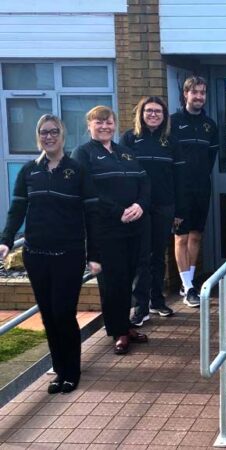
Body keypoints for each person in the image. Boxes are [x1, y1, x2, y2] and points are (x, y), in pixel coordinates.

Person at [0, 115, 101, 394]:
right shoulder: (29, 172)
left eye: (54, 131)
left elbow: (92, 216)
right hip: (36, 255)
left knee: (63, 313)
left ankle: (72, 371)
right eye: (44, 132)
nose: (49, 136)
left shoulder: (77, 171)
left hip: (68, 255)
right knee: (47, 315)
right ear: (38, 136)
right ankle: (59, 370)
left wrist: (94, 254)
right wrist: (6, 240)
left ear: (62, 135)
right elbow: (16, 211)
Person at [72, 106, 150, 356]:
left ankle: (126, 326)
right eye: (99, 122)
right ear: (89, 126)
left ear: (115, 124)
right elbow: (88, 191)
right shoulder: (82, 153)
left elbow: (144, 182)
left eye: (109, 122)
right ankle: (117, 331)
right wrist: (118, 211)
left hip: (134, 226)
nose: (104, 126)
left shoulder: (125, 152)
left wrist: (140, 205)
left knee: (128, 277)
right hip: (106, 229)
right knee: (112, 282)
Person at [123, 96, 184, 325]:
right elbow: (123, 175)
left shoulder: (171, 142)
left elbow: (179, 179)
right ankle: (140, 307)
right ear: (141, 113)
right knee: (141, 257)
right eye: (149, 111)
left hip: (164, 205)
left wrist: (179, 210)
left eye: (158, 111)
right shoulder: (129, 139)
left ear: (164, 115)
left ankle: (157, 301)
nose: (153, 114)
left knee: (158, 255)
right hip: (138, 207)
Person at [170, 76, 219, 307]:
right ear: (185, 94)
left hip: (202, 188)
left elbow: (211, 158)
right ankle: (189, 287)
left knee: (196, 236)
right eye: (194, 92)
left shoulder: (210, 125)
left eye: (202, 92)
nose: (199, 96)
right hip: (179, 189)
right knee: (181, 236)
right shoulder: (172, 122)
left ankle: (186, 282)